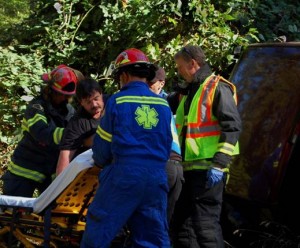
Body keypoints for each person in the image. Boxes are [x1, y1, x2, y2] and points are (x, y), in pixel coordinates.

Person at [80, 48, 173, 248]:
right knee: (152, 236)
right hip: (156, 178)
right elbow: (167, 146)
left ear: (124, 75)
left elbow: (103, 149)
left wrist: (101, 163)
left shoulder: (117, 100)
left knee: (99, 229)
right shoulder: (163, 105)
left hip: (124, 175)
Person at [171, 45, 242, 248]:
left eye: (180, 67)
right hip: (189, 170)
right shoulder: (192, 90)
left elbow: (233, 126)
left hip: (209, 169)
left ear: (193, 64)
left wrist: (219, 164)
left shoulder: (218, 87)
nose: (179, 72)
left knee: (205, 226)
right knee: (183, 224)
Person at [1, 65, 84, 197]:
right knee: (13, 213)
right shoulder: (36, 107)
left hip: (48, 171)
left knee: (48, 213)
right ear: (51, 90)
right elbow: (42, 133)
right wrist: (72, 135)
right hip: (24, 170)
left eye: (67, 96)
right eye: (61, 95)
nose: (64, 99)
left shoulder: (68, 110)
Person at [148, 66, 184, 225]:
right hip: (176, 167)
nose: (147, 87)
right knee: (163, 226)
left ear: (161, 83)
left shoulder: (154, 104)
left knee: (149, 224)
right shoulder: (165, 104)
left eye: (151, 84)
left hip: (164, 165)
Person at [56, 78, 105, 175]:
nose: (94, 104)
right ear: (81, 103)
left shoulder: (113, 105)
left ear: (101, 94)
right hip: (89, 170)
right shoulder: (77, 124)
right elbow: (65, 157)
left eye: (96, 98)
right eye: (88, 102)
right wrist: (61, 187)